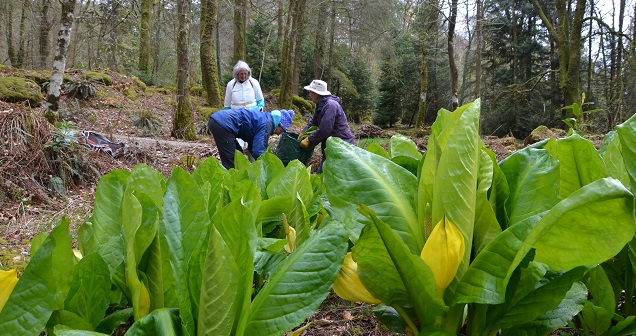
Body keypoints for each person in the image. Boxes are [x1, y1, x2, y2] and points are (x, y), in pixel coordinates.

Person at [208, 108, 294, 169]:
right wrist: (269, 166)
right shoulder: (267, 124)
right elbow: (258, 150)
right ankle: (229, 186)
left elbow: (253, 144)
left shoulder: (266, 119)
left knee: (238, 155)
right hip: (223, 124)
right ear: (279, 124)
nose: (279, 134)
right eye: (281, 130)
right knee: (231, 160)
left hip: (219, 121)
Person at [299, 79, 355, 173]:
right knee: (325, 173)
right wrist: (303, 132)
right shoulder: (321, 105)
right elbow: (313, 122)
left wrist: (309, 140)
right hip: (332, 146)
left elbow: (325, 129)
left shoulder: (330, 106)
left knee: (330, 174)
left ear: (317, 93)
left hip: (341, 145)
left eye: (311, 92)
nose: (309, 95)